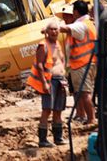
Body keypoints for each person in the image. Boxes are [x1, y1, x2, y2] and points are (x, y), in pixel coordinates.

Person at [27, 19, 67, 147]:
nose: (54, 31)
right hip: (50, 81)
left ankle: (58, 138)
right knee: (47, 110)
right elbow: (39, 65)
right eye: (52, 29)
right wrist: (44, 83)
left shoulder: (57, 44)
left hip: (60, 80)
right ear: (47, 31)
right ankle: (43, 140)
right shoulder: (43, 45)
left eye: (56, 29)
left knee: (58, 110)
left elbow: (61, 61)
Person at [59, 0, 96, 125]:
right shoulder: (89, 23)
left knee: (85, 94)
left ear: (75, 12)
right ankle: (87, 117)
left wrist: (52, 28)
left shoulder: (80, 25)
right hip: (87, 63)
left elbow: (66, 28)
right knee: (83, 93)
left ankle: (91, 119)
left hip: (83, 64)